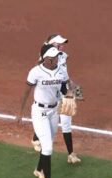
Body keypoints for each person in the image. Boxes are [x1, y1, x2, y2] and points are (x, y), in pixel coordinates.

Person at [17, 44, 70, 178]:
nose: (57, 59)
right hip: (39, 112)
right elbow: (26, 92)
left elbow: (65, 88)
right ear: (46, 58)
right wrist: (20, 113)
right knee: (47, 147)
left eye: (57, 56)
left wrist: (74, 95)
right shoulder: (36, 72)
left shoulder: (61, 70)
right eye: (54, 56)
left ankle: (38, 170)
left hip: (54, 111)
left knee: (48, 143)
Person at [31, 34, 82, 164]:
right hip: (51, 97)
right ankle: (36, 138)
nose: (62, 46)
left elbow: (66, 78)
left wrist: (77, 92)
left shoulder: (63, 56)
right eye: (59, 44)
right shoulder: (44, 61)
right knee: (46, 118)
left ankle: (71, 154)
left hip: (63, 93)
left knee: (66, 122)